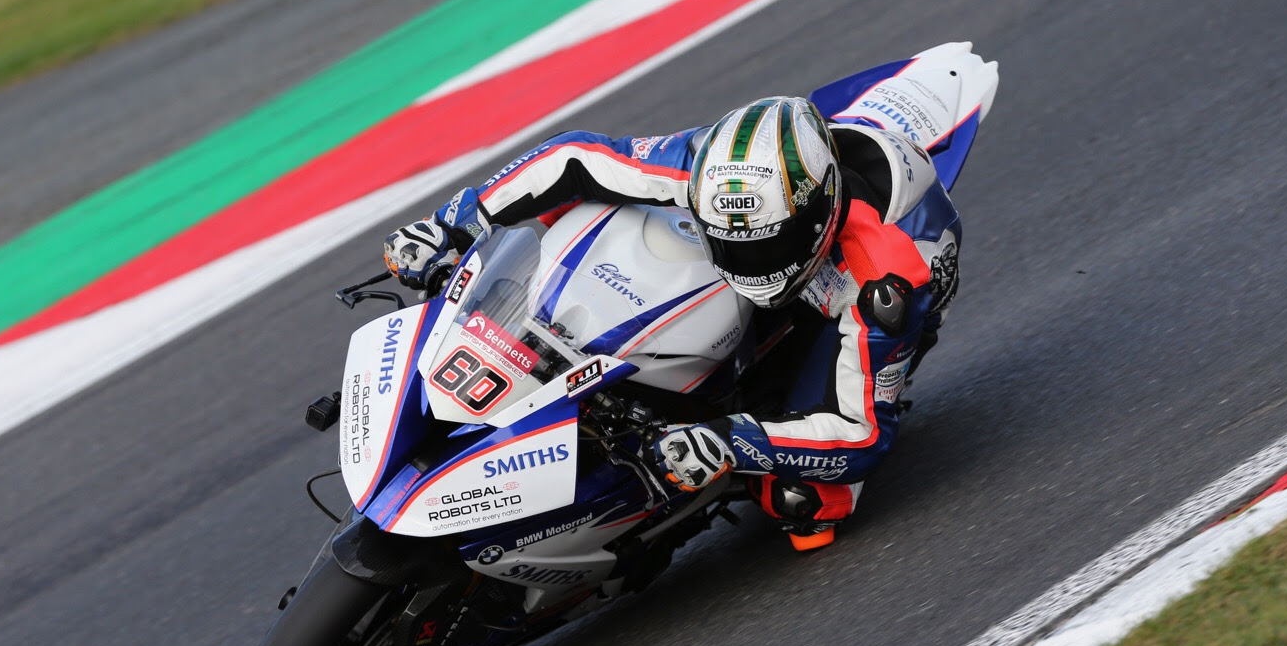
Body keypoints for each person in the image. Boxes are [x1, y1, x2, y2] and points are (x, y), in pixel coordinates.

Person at [382, 84, 962, 551]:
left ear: (815, 222)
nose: (744, 261)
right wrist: (456, 222)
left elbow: (862, 436)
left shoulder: (884, 283)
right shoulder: (700, 171)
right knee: (579, 208)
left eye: (759, 246)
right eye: (731, 240)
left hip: (850, 300)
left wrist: (729, 442)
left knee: (802, 502)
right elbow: (573, 157)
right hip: (773, 212)